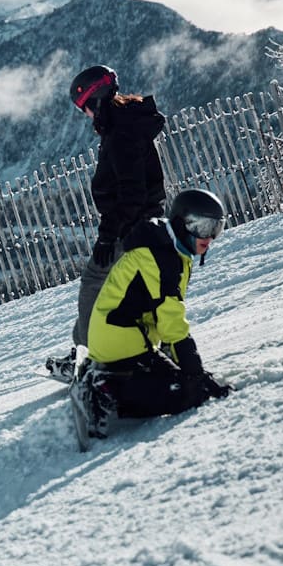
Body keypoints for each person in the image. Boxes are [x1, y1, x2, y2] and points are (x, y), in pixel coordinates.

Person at [70, 188, 233, 441]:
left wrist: (194, 373)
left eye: (216, 227)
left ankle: (108, 377)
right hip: (121, 339)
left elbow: (163, 316)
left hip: (129, 337)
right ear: (182, 223)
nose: (209, 236)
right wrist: (194, 372)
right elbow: (171, 322)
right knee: (184, 394)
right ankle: (104, 391)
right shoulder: (162, 256)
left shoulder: (168, 247)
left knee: (188, 385)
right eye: (201, 226)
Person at [46, 65, 167, 383]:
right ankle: (92, 350)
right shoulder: (125, 123)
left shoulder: (121, 132)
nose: (84, 114)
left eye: (83, 107)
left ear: (94, 100)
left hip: (132, 227)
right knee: (132, 289)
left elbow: (130, 192)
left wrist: (107, 237)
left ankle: (85, 355)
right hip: (143, 221)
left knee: (94, 283)